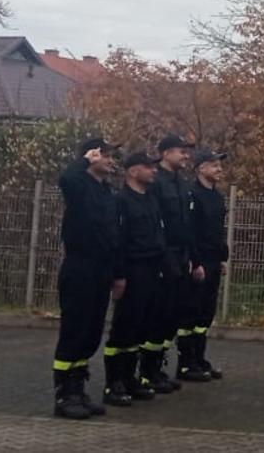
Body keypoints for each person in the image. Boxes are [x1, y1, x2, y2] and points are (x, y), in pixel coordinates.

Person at [50, 138, 120, 420]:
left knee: (90, 333)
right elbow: (65, 179)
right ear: (92, 156)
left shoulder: (105, 191)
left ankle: (78, 388)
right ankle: (64, 394)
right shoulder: (78, 185)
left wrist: (115, 272)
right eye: (106, 155)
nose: (112, 160)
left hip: (101, 269)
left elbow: (112, 234)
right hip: (80, 267)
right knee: (74, 331)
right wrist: (84, 161)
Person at [104, 152, 167, 407]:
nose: (154, 170)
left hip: (152, 268)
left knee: (141, 326)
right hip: (132, 269)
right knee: (124, 326)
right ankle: (114, 382)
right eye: (148, 166)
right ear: (133, 171)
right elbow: (117, 242)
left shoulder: (150, 199)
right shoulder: (121, 201)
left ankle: (130, 377)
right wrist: (119, 276)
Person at [147, 134, 197, 392]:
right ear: (165, 153)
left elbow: (186, 223)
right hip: (163, 257)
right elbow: (156, 223)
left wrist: (189, 257)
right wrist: (165, 257)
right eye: (181, 151)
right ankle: (147, 371)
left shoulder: (182, 183)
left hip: (181, 256)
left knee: (173, 315)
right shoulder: (155, 182)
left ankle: (158, 367)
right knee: (158, 314)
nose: (186, 156)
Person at [179, 148, 231, 381]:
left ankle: (199, 359)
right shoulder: (192, 194)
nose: (219, 169)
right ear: (201, 168)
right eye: (214, 165)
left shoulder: (217, 197)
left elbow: (217, 231)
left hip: (213, 260)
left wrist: (222, 258)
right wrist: (196, 262)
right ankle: (186, 363)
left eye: (220, 165)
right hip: (198, 262)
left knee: (205, 314)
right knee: (191, 312)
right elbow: (190, 232)